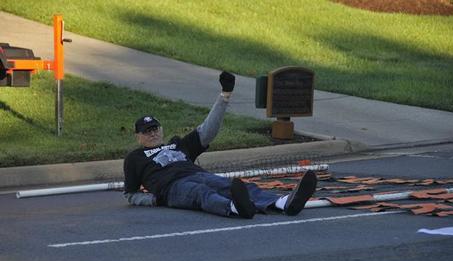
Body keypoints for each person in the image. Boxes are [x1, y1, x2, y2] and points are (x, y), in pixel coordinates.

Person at [123, 71, 317, 219]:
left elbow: (207, 131)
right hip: (172, 188)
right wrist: (153, 200)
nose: (153, 133)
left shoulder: (177, 144)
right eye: (147, 131)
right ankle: (234, 208)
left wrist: (224, 95)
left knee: (231, 186)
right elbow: (130, 194)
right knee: (200, 193)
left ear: (161, 129)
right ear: (138, 137)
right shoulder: (135, 158)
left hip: (198, 174)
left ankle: (283, 203)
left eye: (155, 128)